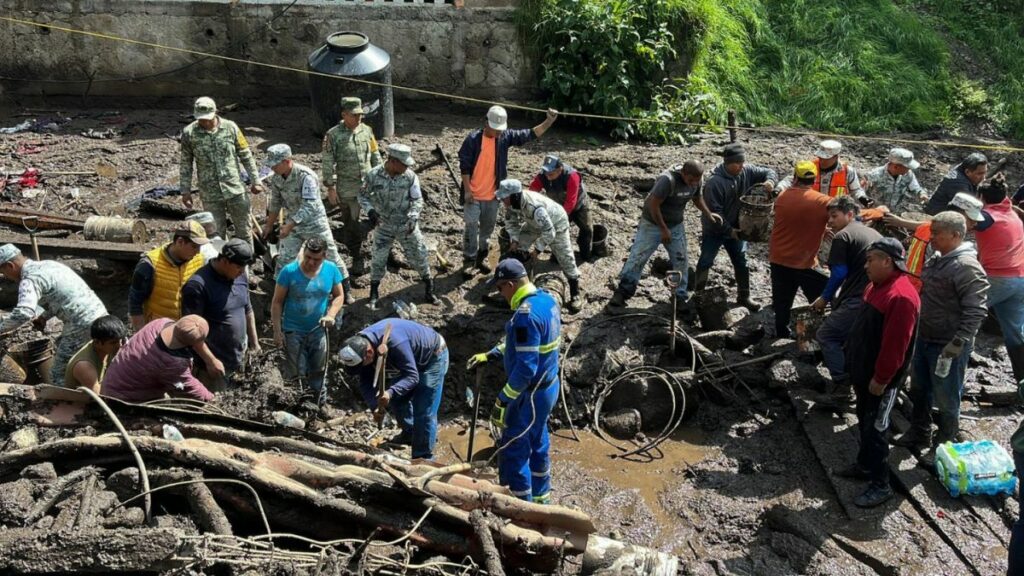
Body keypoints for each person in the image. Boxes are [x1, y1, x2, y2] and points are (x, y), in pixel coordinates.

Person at [894, 211, 988, 465]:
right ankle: (920, 431)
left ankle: (944, 444)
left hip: (947, 345)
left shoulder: (966, 267)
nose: (931, 237)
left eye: (936, 234)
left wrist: (958, 342)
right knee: (920, 388)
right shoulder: (938, 258)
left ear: (956, 236)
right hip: (925, 337)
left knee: (946, 397)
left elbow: (976, 309)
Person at [835, 238, 921, 508]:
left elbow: (895, 346)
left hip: (881, 380)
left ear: (887, 261)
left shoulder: (902, 297)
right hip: (863, 371)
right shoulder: (875, 286)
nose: (866, 264)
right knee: (863, 418)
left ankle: (881, 484)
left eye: (871, 259)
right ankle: (864, 464)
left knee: (877, 428)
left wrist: (881, 379)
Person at [466, 259, 561, 503]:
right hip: (548, 389)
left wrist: (503, 399)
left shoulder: (524, 316)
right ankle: (542, 500)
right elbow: (524, 345)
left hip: (528, 395)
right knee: (539, 441)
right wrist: (492, 354)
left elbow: (526, 369)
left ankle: (520, 508)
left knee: (513, 451)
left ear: (510, 285)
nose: (501, 295)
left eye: (500, 289)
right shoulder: (547, 301)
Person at [458, 106, 558, 277]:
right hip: (473, 195)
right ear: (486, 123)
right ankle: (469, 260)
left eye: (500, 131)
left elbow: (530, 134)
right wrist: (467, 191)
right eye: (495, 130)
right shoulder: (473, 140)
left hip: (492, 196)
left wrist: (548, 121)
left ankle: (481, 258)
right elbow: (465, 167)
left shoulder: (504, 137)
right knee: (471, 227)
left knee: (487, 230)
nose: (498, 134)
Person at [609, 160, 723, 309]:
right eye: (690, 180)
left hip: (675, 224)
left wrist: (708, 214)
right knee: (638, 256)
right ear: (683, 173)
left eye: (696, 180)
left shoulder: (697, 180)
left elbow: (697, 198)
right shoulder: (667, 180)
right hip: (652, 224)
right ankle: (623, 291)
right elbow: (653, 204)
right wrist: (663, 229)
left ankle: (680, 296)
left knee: (681, 259)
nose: (693, 184)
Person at [338, 319, 448, 460]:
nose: (361, 369)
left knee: (424, 409)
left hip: (432, 358)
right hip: (407, 360)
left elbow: (412, 377)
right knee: (398, 400)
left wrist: (390, 393)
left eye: (361, 365)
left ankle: (423, 457)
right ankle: (410, 433)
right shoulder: (361, 347)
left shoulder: (395, 342)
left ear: (369, 352)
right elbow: (366, 382)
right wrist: (375, 407)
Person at [0, 244, 108, 383]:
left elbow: (24, 312)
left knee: (59, 373)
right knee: (88, 356)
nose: (7, 277)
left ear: (10, 266)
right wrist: (44, 316)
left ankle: (66, 401)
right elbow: (64, 297)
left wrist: (2, 328)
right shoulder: (50, 265)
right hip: (100, 315)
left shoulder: (30, 279)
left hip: (81, 325)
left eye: (4, 272)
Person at [262, 143, 354, 304]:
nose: (273, 168)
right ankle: (279, 294)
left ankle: (345, 291)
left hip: (314, 222)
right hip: (293, 223)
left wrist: (289, 224)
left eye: (275, 164)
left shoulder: (306, 176)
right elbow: (275, 202)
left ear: (287, 161)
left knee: (331, 255)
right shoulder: (277, 178)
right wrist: (269, 225)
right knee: (284, 258)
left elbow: (309, 205)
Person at [813, 196, 882, 406]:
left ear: (850, 214)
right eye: (829, 217)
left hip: (858, 298)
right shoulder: (872, 232)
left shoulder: (843, 236)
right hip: (876, 297)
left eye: (834, 216)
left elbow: (839, 272)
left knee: (826, 335)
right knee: (856, 340)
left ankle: (842, 387)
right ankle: (863, 382)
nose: (830, 222)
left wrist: (824, 298)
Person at [953, 183, 1024, 382]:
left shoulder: (988, 217)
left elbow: (954, 227)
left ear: (981, 197)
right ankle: (1022, 382)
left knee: (962, 316)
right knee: (1016, 333)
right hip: (1019, 279)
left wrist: (901, 221)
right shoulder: (1011, 213)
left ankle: (954, 373)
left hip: (997, 279)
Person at [694, 143, 777, 311]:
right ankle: (698, 296)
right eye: (737, 163)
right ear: (727, 163)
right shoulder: (714, 183)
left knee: (741, 261)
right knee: (705, 261)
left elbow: (770, 171)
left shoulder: (747, 170)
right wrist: (730, 231)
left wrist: (770, 181)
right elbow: (715, 213)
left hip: (738, 227)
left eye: (742, 162)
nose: (741, 166)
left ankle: (744, 295)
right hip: (715, 230)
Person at [359, 143, 438, 309]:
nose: (407, 167)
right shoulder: (373, 175)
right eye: (404, 164)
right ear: (393, 161)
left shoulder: (410, 177)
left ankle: (429, 288)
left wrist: (413, 216)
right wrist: (371, 211)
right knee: (378, 258)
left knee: (419, 254)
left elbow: (417, 199)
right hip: (383, 225)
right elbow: (362, 195)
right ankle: (374, 292)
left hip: (406, 225)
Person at [272, 237, 345, 404]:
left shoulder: (331, 270)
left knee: (319, 371)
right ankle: (296, 405)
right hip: (293, 331)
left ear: (325, 256)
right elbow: (277, 302)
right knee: (296, 372)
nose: (311, 262)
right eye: (308, 257)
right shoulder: (289, 272)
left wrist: (331, 314)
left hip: (318, 330)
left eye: (316, 259)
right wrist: (277, 331)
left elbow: (340, 295)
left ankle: (319, 405)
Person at [180, 239, 261, 391]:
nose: (242, 271)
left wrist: (255, 344)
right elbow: (189, 332)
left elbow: (247, 309)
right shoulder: (197, 286)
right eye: (238, 267)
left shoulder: (240, 276)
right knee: (214, 407)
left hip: (238, 359)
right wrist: (210, 361)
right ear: (224, 260)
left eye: (244, 267)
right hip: (211, 367)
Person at [179, 96, 261, 245]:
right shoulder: (189, 133)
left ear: (215, 113)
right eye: (200, 119)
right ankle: (220, 265)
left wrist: (256, 180)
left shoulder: (231, 128)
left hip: (235, 189)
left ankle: (245, 264)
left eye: (207, 119)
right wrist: (185, 190)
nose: (204, 122)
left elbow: (245, 154)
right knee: (215, 235)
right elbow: (186, 163)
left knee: (244, 231)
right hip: (210, 193)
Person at [497, 179, 583, 313]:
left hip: (556, 224)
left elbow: (550, 232)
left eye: (504, 197)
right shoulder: (511, 203)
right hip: (533, 224)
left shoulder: (535, 207)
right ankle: (518, 288)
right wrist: (514, 240)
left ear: (514, 195)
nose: (502, 201)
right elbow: (511, 223)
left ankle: (575, 292)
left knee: (565, 257)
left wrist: (537, 250)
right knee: (518, 250)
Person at [768, 161, 832, 338]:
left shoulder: (782, 197)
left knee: (782, 301)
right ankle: (816, 334)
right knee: (819, 297)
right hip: (804, 263)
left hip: (779, 259)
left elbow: (795, 218)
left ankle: (781, 333)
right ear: (815, 179)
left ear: (795, 177)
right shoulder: (823, 202)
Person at [322, 96, 382, 275]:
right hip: (348, 188)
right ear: (344, 114)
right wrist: (331, 187)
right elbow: (327, 162)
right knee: (351, 223)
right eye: (354, 115)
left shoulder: (367, 131)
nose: (358, 118)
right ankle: (356, 255)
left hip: (369, 185)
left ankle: (378, 246)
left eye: (361, 115)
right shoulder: (333, 135)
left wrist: (381, 178)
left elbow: (374, 154)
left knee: (379, 215)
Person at [101, 315, 215, 403]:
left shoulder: (160, 323)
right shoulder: (171, 363)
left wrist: (211, 360)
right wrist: (212, 400)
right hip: (124, 400)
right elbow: (191, 389)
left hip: (113, 380)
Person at [128, 222, 208, 330]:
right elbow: (135, 303)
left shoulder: (199, 260)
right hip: (158, 332)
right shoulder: (149, 264)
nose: (198, 252)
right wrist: (140, 334)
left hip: (188, 331)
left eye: (200, 247)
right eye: (194, 247)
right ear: (180, 242)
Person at [528, 154, 594, 261]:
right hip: (557, 206)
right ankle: (556, 256)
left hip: (579, 205)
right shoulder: (542, 176)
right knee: (557, 231)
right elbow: (532, 192)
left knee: (587, 229)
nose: (547, 175)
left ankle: (585, 254)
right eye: (546, 172)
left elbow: (571, 202)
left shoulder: (572, 176)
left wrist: (559, 218)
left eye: (551, 173)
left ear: (560, 169)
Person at [776, 140, 865, 201]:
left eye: (826, 158)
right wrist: (779, 188)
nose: (821, 160)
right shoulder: (810, 167)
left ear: (836, 157)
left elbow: (856, 191)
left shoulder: (848, 171)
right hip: (812, 207)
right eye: (820, 157)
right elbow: (791, 180)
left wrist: (863, 198)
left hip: (835, 211)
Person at [64, 315, 127, 392]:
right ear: (97, 342)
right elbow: (100, 397)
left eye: (120, 340)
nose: (119, 345)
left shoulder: (109, 347)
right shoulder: (84, 366)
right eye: (113, 343)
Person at [861, 148, 926, 215]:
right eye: (907, 167)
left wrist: (921, 194)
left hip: (892, 215)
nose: (909, 169)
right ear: (896, 167)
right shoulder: (874, 175)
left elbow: (915, 187)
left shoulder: (908, 174)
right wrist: (870, 206)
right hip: (873, 214)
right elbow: (859, 193)